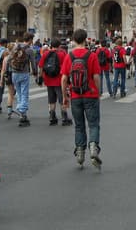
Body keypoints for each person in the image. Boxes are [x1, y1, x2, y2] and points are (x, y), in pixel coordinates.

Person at [61, 28, 103, 169]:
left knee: (79, 126)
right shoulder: (91, 55)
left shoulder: (69, 56)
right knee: (93, 124)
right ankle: (93, 147)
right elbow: (96, 76)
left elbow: (64, 78)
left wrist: (65, 96)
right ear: (86, 39)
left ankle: (80, 152)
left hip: (75, 95)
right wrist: (98, 91)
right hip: (90, 94)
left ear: (73, 39)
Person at [39, 39, 70, 126]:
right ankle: (64, 117)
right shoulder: (62, 53)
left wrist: (40, 77)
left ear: (51, 45)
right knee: (62, 98)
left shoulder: (46, 54)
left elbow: (41, 66)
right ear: (59, 45)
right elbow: (67, 66)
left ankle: (52, 117)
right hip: (59, 80)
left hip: (48, 80)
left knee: (51, 99)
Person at [9, 32, 38, 127]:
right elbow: (33, 63)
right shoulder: (29, 50)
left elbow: (9, 59)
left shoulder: (15, 47)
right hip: (24, 73)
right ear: (30, 40)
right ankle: (23, 114)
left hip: (14, 73)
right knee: (25, 93)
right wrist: (35, 73)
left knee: (19, 93)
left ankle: (20, 109)